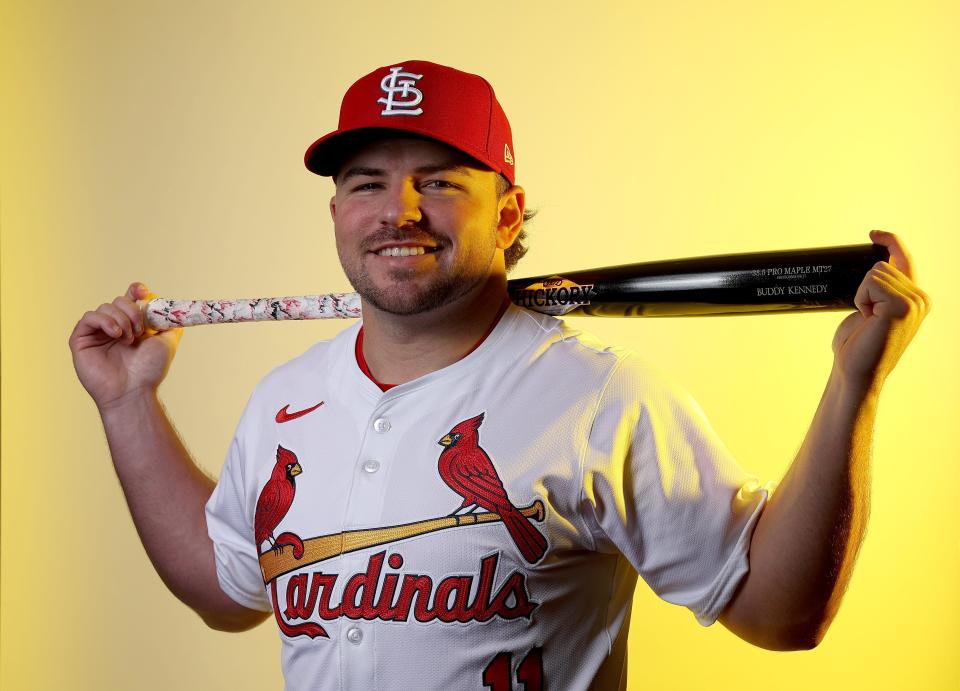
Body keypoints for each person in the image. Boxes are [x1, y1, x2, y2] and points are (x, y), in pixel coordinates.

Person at [69, 60, 931, 690]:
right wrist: (126, 401)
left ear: (508, 211)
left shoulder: (599, 397)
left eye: (437, 181)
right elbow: (230, 591)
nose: (398, 211)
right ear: (338, 215)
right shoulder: (283, 401)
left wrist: (853, 386)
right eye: (368, 184)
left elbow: (779, 614)